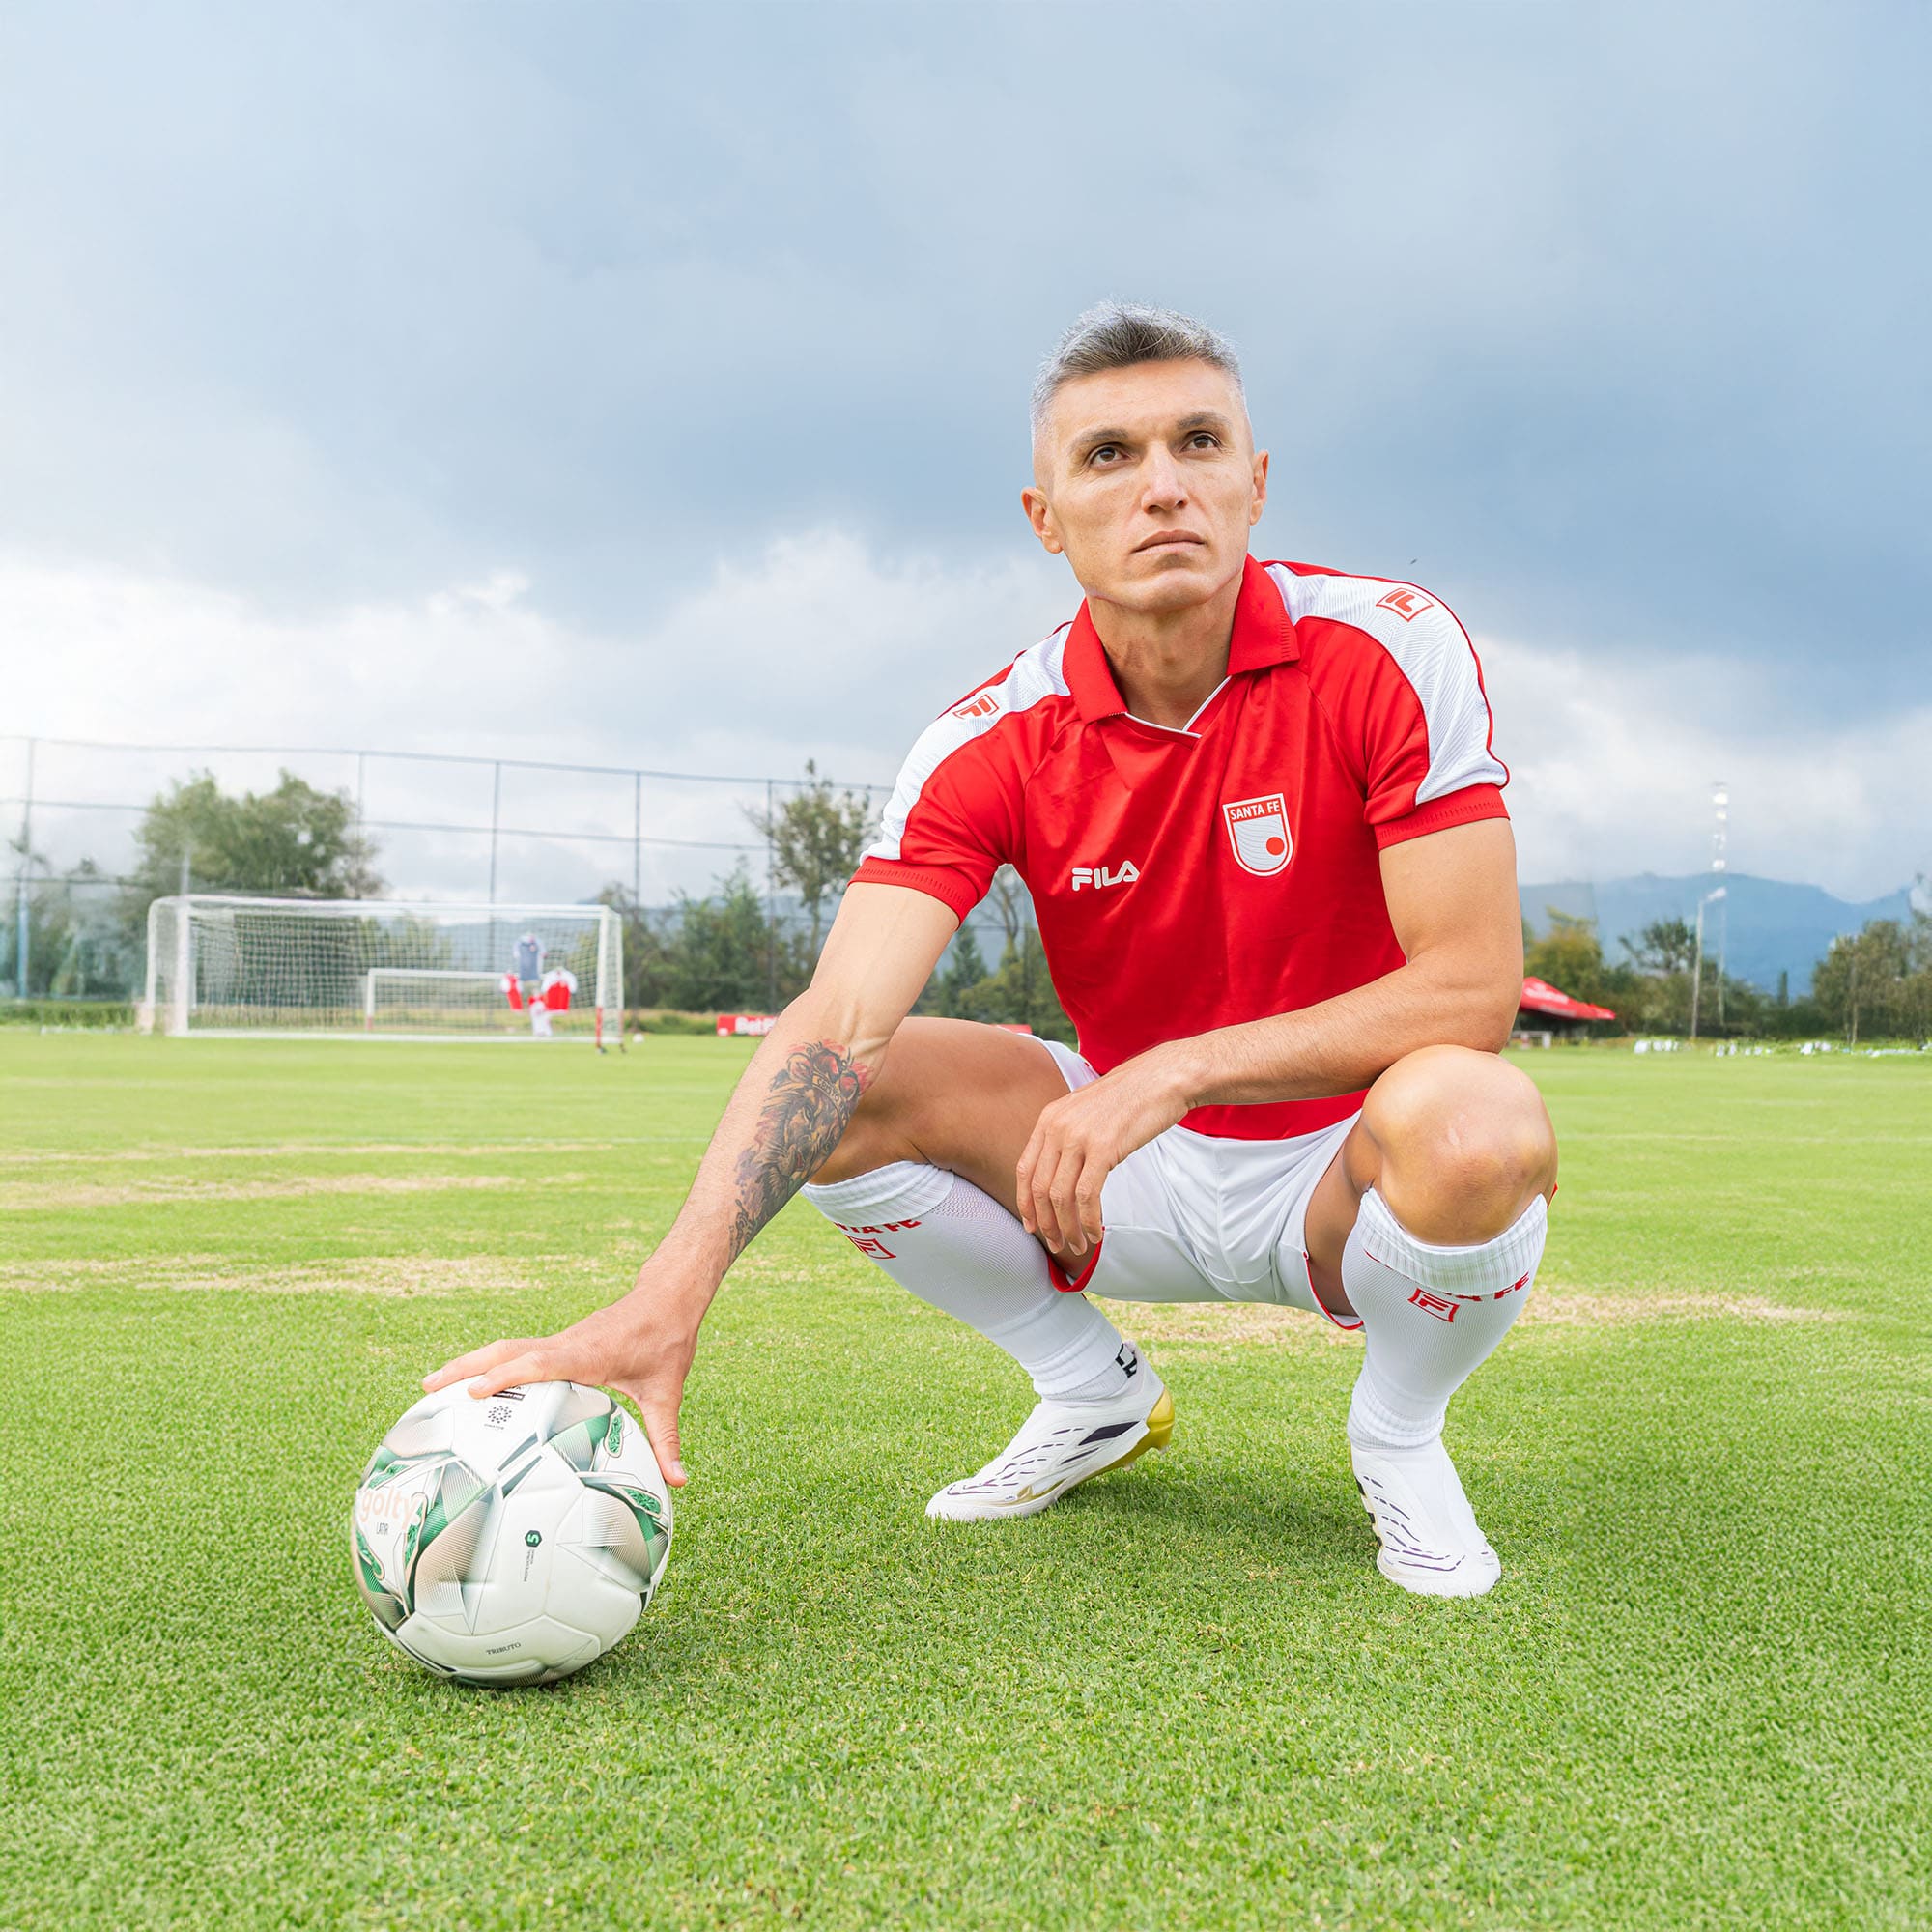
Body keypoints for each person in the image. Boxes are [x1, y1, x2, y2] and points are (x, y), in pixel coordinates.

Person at [426, 302, 1558, 1598]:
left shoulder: (1390, 648)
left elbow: (1471, 986)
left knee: (1483, 1124)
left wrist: (1173, 1071)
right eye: (1109, 457)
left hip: (1341, 1169)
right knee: (856, 1084)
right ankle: (1091, 1393)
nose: (1163, 487)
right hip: (1115, 1171)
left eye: (1199, 442)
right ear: (1046, 516)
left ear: (1255, 483)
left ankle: (1399, 1439)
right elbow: (835, 1023)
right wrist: (663, 1299)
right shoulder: (991, 737)